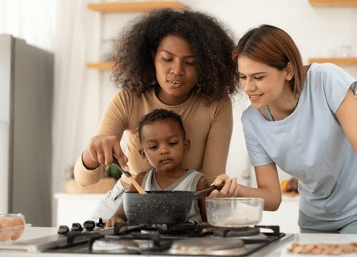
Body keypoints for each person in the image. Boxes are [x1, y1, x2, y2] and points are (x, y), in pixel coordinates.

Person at [211, 24, 357, 235]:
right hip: (314, 218)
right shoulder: (252, 121)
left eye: (259, 77)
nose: (247, 88)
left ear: (288, 71)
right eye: (243, 77)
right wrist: (234, 190)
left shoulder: (325, 79)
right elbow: (272, 198)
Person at [73, 9, 238, 222]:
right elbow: (84, 180)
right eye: (167, 59)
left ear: (205, 65)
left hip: (186, 204)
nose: (177, 70)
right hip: (126, 202)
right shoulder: (128, 99)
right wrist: (92, 153)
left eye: (190, 62)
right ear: (152, 57)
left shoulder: (216, 104)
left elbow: (211, 183)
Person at [107, 109, 211, 227]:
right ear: (143, 154)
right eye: (154, 146)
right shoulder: (140, 181)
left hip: (185, 244)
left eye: (172, 143)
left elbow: (210, 221)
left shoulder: (198, 183)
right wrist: (116, 219)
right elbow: (120, 215)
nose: (164, 150)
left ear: (185, 146)